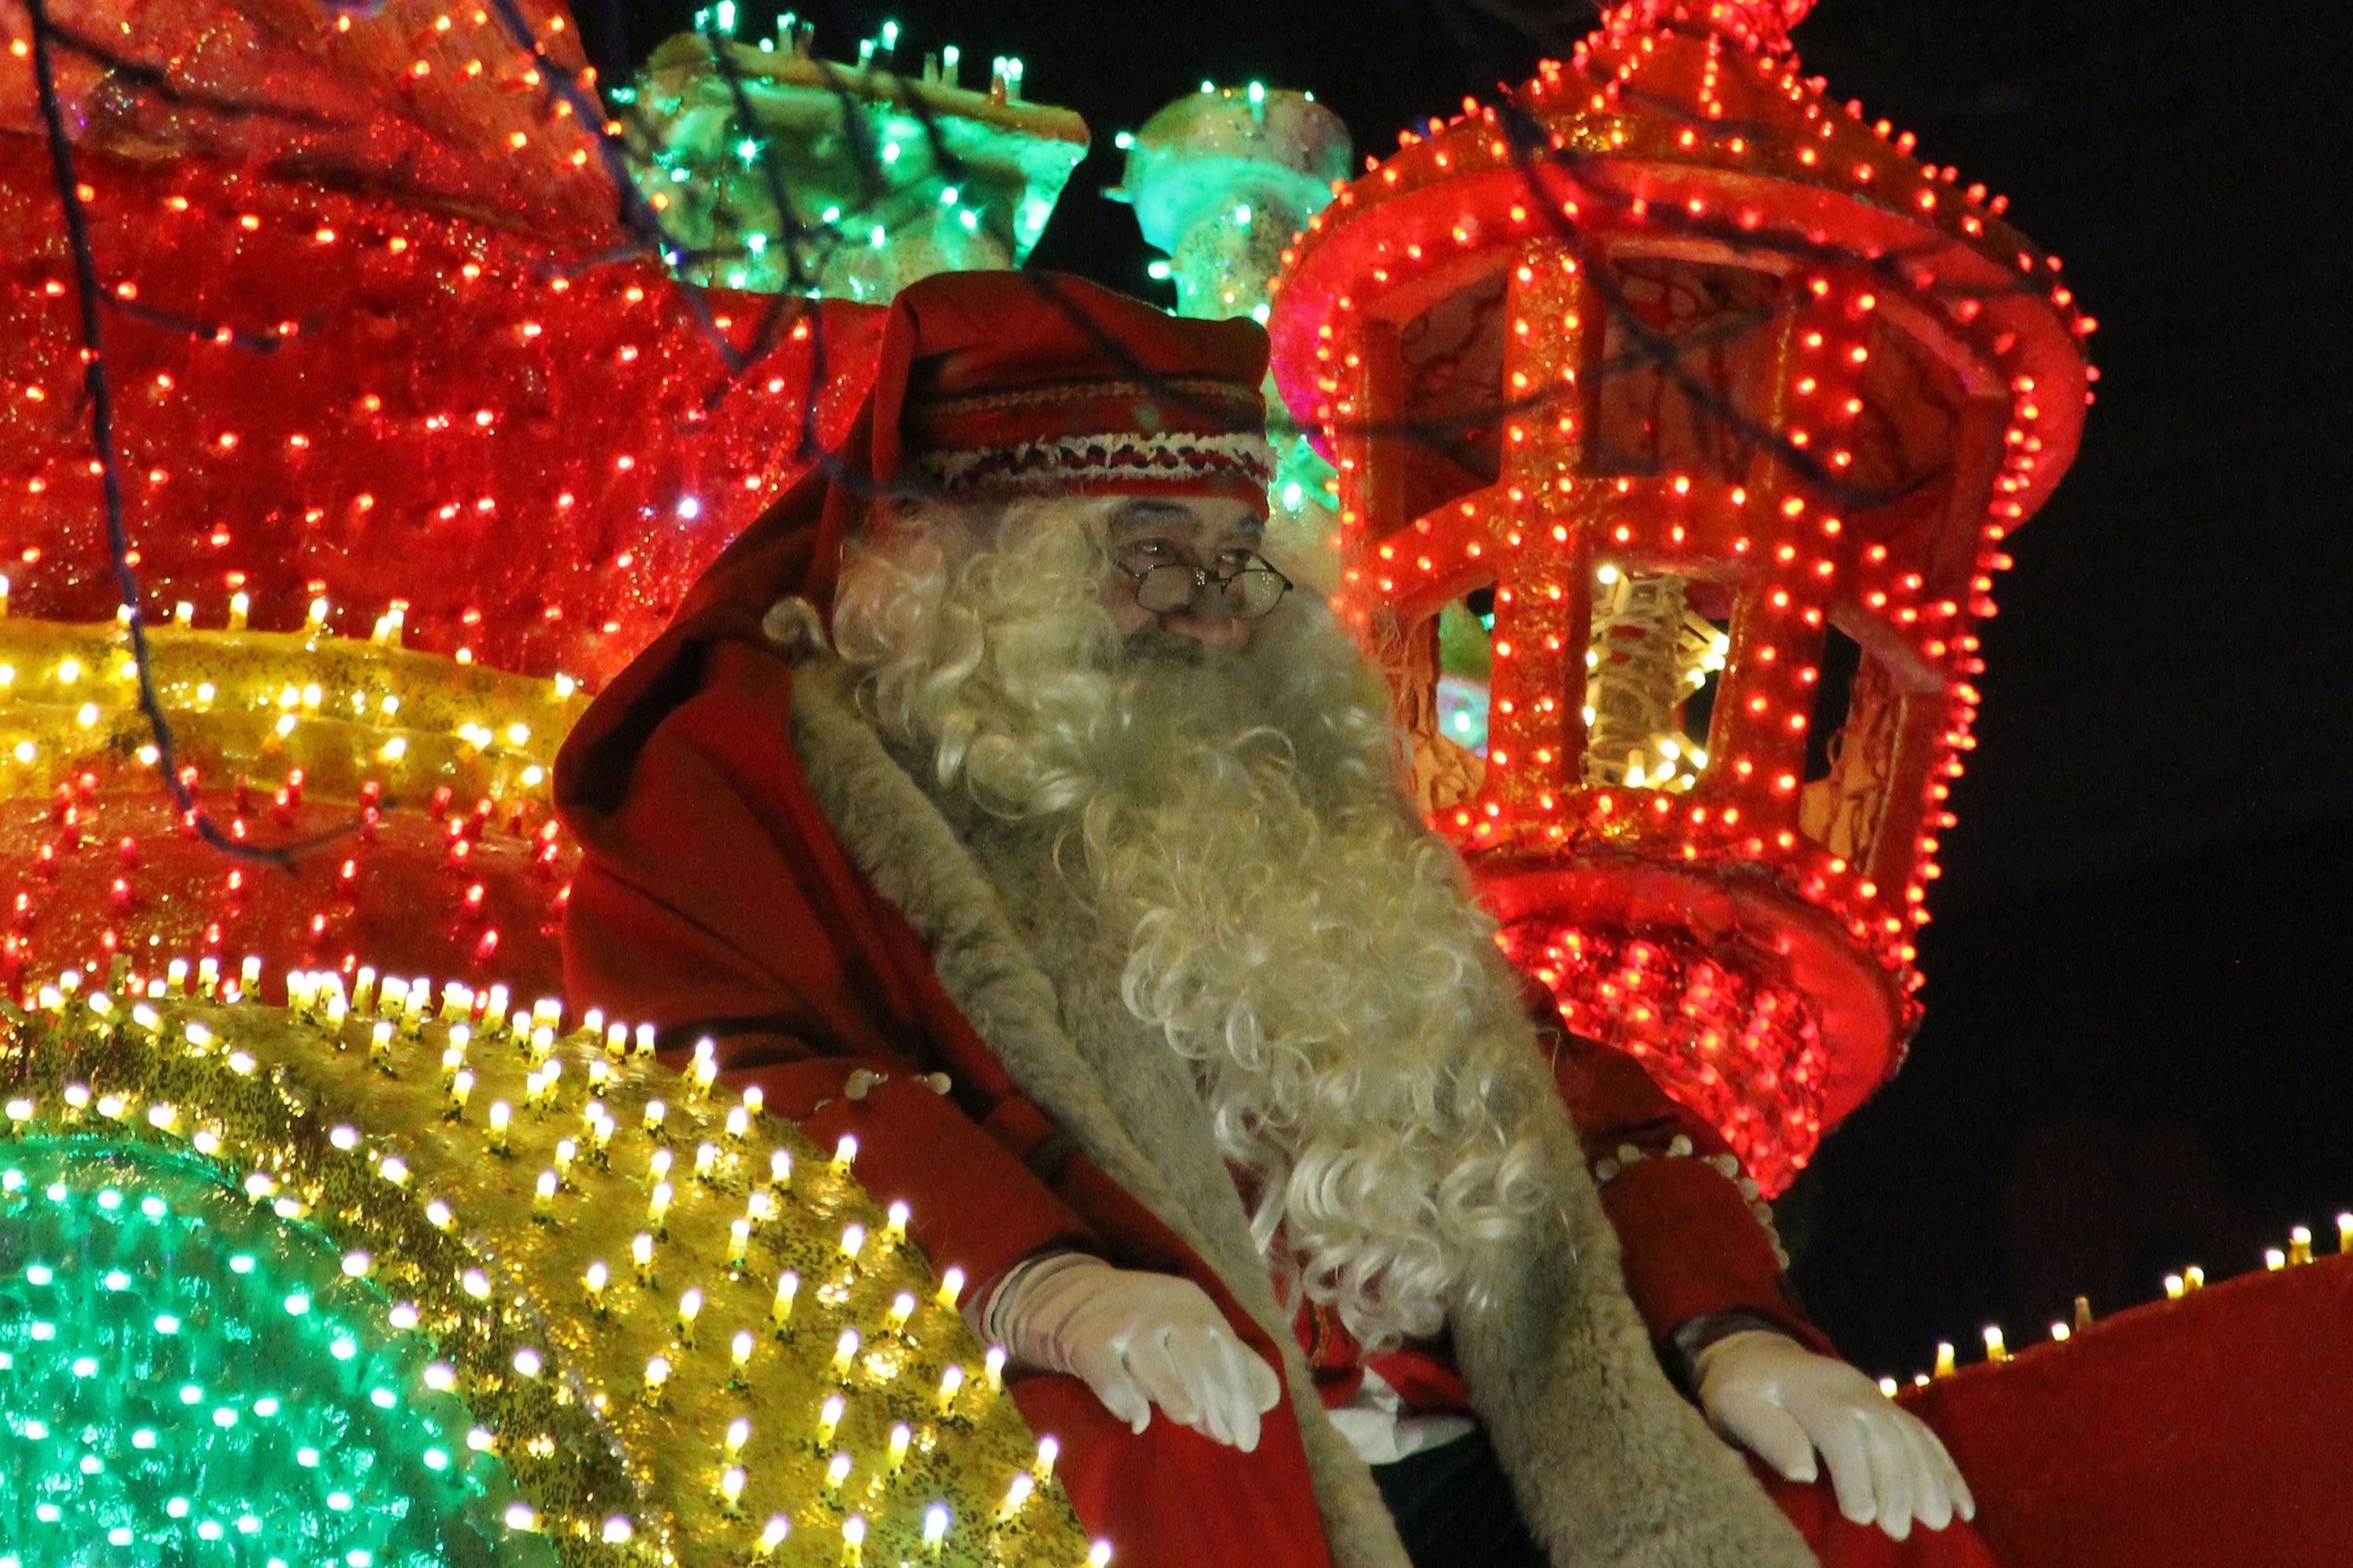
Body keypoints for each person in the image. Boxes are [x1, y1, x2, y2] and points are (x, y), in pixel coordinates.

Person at [555, 270, 1993, 1568]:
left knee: (1845, 1509)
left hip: (1484, 1443)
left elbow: (1575, 1115)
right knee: (1168, 1467)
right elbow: (724, 1082)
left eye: (1238, 561)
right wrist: (1036, 1283)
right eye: (1151, 552)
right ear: (976, 566)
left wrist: (1736, 1330)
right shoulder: (760, 767)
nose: (1212, 616)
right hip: (1158, 1424)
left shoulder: (1291, 800)